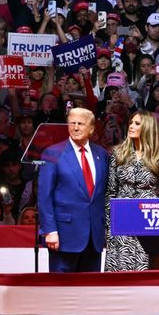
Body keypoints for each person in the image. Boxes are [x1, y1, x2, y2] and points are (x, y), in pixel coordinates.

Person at [37, 106, 108, 272]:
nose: (75, 128)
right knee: (61, 291)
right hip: (63, 235)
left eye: (81, 124)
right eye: (72, 123)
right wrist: (50, 230)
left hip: (94, 237)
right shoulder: (52, 153)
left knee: (90, 291)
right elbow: (44, 196)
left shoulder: (102, 155)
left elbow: (103, 194)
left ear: (91, 128)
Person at [103, 110, 159, 272]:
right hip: (121, 223)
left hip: (148, 224)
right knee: (120, 273)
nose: (131, 126)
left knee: (145, 273)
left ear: (147, 128)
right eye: (131, 123)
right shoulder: (118, 154)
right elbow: (111, 192)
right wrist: (109, 226)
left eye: (137, 124)